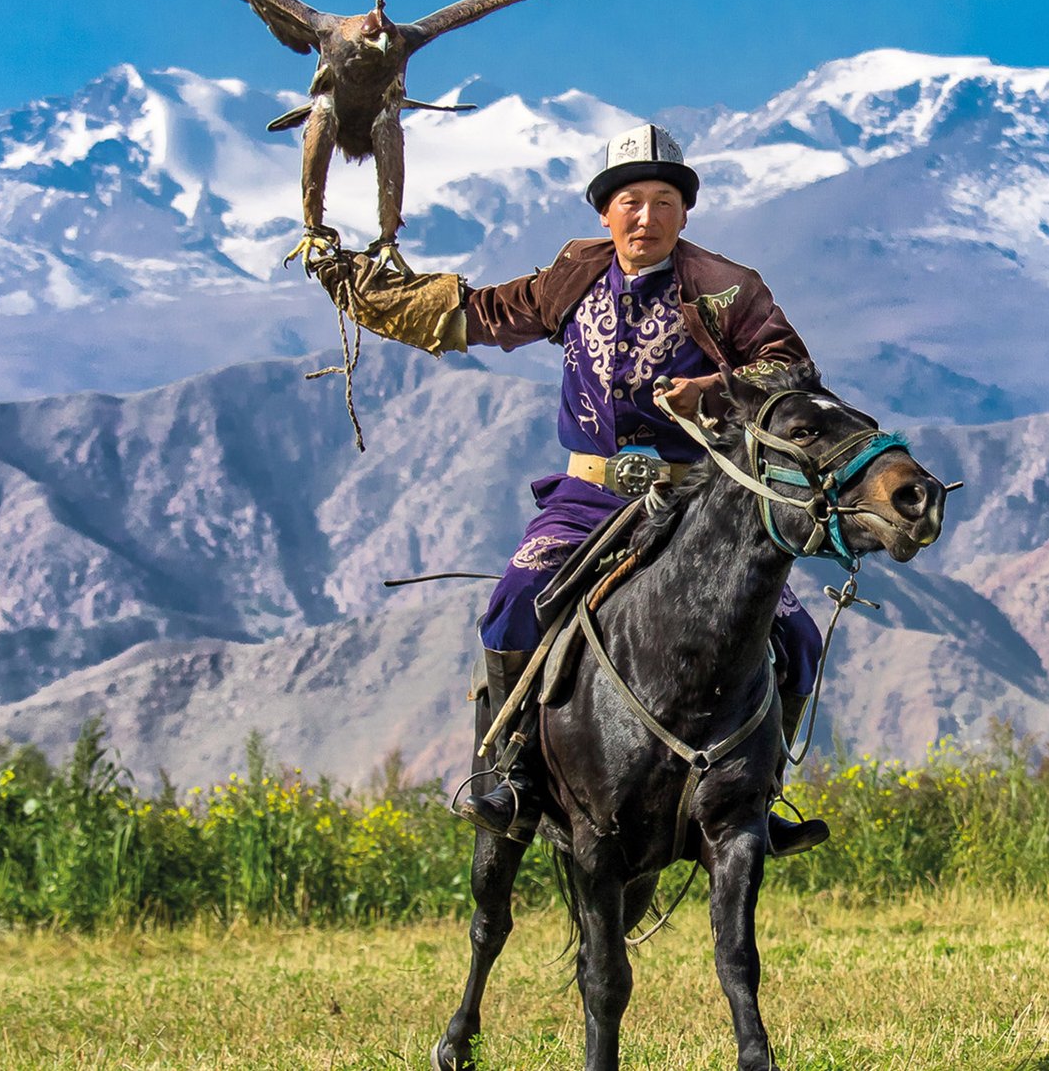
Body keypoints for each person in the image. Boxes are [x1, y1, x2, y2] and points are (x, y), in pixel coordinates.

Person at [308, 123, 829, 854]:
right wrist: (362, 290)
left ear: (684, 213)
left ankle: (759, 795)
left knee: (797, 633)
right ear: (605, 212)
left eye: (662, 203)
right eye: (630, 202)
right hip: (589, 495)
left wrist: (715, 389)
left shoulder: (725, 287)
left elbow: (793, 369)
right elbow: (478, 314)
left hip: (702, 501)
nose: (645, 218)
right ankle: (510, 775)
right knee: (513, 603)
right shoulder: (575, 276)